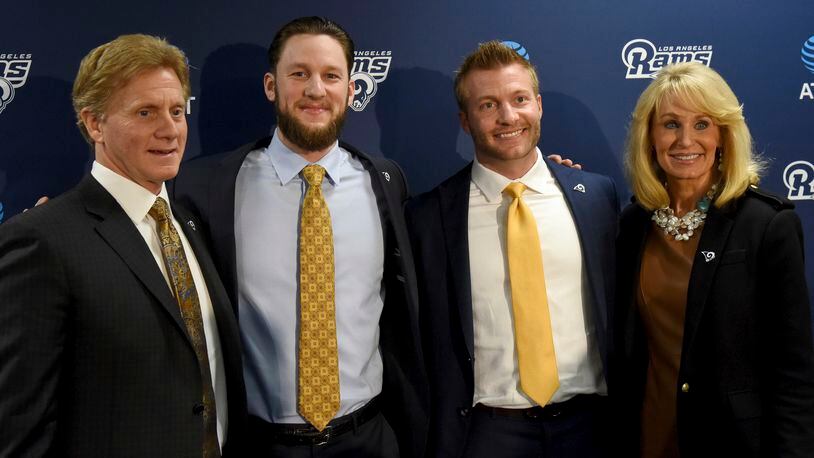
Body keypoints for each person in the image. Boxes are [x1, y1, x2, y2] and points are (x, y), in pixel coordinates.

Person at [171, 17, 427, 457]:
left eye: (331, 76)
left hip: (369, 439)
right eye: (299, 74)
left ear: (351, 90)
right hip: (257, 444)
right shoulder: (206, 188)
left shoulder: (386, 182)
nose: (315, 89)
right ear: (272, 86)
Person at [0, 34, 246, 457]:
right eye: (145, 112)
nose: (169, 130)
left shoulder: (188, 221)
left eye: (176, 111)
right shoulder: (43, 239)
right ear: (94, 123)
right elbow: (19, 424)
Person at [406, 41, 618, 457]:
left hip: (590, 428)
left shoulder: (596, 197)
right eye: (488, 105)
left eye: (519, 99)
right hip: (486, 434)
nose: (508, 116)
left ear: (538, 105)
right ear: (465, 121)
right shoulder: (427, 217)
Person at [615, 61, 814, 457]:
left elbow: (793, 373)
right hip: (647, 435)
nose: (685, 140)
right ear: (649, 137)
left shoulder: (766, 224)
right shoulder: (633, 223)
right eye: (670, 124)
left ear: (723, 135)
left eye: (702, 124)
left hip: (732, 443)